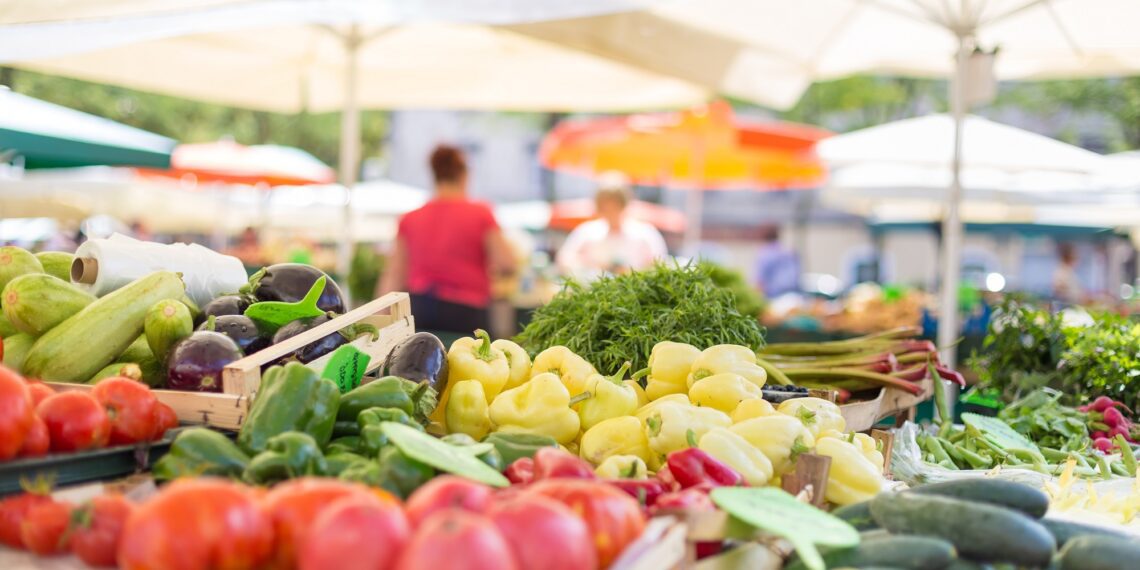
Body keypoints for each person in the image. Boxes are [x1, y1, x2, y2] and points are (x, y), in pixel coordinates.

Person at [378, 144, 515, 333]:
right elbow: (507, 263)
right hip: (466, 311)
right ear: (464, 175)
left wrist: (380, 320)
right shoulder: (481, 214)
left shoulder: (410, 218)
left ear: (434, 175)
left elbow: (394, 274)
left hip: (420, 308)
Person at [555, 171, 668, 281]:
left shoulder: (645, 234)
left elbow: (659, 266)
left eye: (615, 206)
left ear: (624, 205)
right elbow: (565, 259)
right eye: (606, 207)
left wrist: (632, 273)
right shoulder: (587, 232)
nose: (611, 212)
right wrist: (590, 265)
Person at [753, 225, 799, 297]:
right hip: (793, 295)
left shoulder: (764, 254)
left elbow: (760, 281)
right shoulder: (789, 252)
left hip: (773, 296)